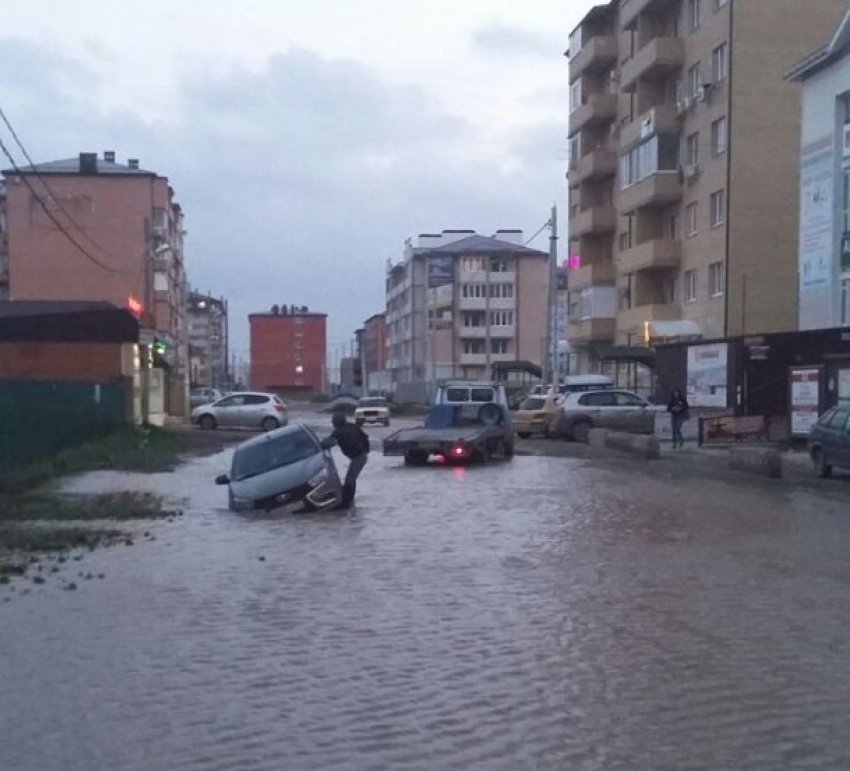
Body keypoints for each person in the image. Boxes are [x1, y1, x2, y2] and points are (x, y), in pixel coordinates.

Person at [321, 411, 370, 509]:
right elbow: (365, 437)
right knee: (350, 478)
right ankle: (349, 501)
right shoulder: (352, 426)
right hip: (362, 455)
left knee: (350, 479)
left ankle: (347, 502)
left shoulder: (338, 432)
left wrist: (319, 446)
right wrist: (367, 449)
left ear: (335, 423)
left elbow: (328, 443)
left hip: (358, 457)